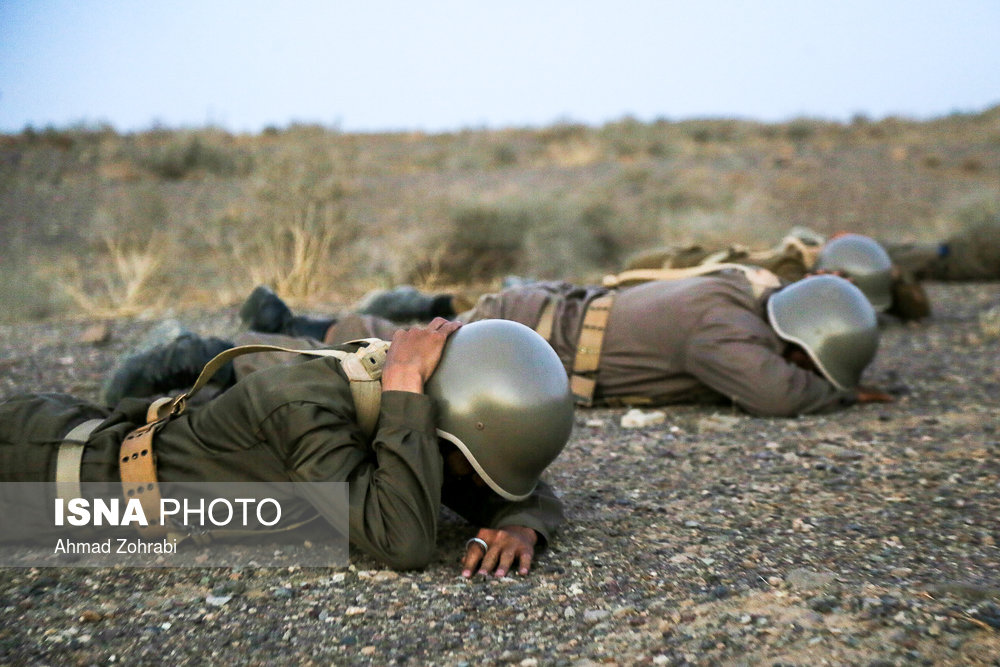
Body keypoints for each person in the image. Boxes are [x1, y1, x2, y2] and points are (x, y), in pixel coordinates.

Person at [2, 318, 574, 576]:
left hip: (86, 437)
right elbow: (404, 541)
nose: (471, 489)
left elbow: (509, 477)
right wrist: (406, 391)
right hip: (46, 476)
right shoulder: (307, 409)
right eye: (468, 470)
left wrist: (521, 522)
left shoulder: (413, 414)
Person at [111, 274, 893, 419]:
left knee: (390, 342)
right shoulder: (726, 330)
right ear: (799, 335)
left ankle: (291, 320)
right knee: (382, 369)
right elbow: (770, 392)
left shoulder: (729, 288)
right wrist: (837, 394)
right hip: (533, 333)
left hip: (537, 313)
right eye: (807, 356)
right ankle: (209, 351)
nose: (800, 367)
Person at [616, 230, 931, 321]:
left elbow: (918, 310)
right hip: (651, 272)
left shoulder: (810, 254)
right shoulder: (789, 273)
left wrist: (896, 273)